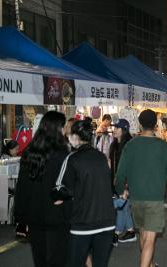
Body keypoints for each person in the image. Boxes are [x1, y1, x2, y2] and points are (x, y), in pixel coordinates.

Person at [116, 109, 167, 267]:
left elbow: (120, 173)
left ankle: (149, 264)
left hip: (136, 198)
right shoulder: (163, 147)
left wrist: (120, 190)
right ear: (156, 124)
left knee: (143, 235)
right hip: (154, 198)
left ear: (140, 124)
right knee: (150, 238)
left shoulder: (131, 145)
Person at [14, 111, 70, 267]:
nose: (65, 130)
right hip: (57, 217)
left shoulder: (29, 153)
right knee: (58, 260)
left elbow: (22, 188)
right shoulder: (62, 154)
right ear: (57, 129)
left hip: (34, 217)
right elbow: (69, 186)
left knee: (40, 259)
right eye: (63, 127)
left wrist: (21, 216)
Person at [57, 120, 115, 267]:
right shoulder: (102, 157)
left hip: (82, 223)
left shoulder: (72, 159)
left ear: (75, 137)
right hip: (106, 221)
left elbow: (61, 189)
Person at [109, 119, 136, 246]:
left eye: (117, 128)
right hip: (116, 182)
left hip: (126, 183)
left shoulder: (130, 145)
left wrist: (126, 186)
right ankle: (131, 231)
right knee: (123, 207)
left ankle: (116, 234)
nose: (114, 130)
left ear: (124, 130)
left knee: (121, 208)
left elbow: (132, 167)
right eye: (114, 128)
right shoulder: (114, 145)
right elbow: (112, 165)